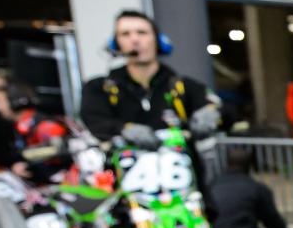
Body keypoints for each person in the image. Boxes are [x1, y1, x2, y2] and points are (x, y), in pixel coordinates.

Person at [79, 10, 221, 144]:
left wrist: (212, 112)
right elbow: (94, 119)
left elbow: (221, 107)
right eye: (125, 34)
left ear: (158, 40)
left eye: (142, 32)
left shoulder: (182, 86)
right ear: (116, 44)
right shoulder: (100, 88)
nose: (134, 40)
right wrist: (122, 129)